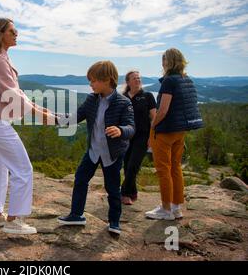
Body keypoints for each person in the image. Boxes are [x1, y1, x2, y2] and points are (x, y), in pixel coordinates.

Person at [0, 18, 55, 234]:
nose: (16, 33)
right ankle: (14, 221)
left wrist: (42, 110)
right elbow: (14, 97)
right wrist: (41, 115)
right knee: (23, 170)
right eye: (12, 30)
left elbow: (16, 94)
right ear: (0, 34)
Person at [57, 61, 135, 235]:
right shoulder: (92, 99)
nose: (90, 84)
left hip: (112, 154)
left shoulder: (123, 103)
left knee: (113, 188)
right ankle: (77, 215)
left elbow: (131, 128)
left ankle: (114, 222)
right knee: (80, 180)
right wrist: (55, 118)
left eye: (93, 81)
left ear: (107, 80)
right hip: (93, 151)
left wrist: (120, 130)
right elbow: (76, 117)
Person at [145, 48, 204, 220]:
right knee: (175, 168)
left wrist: (153, 126)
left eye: (163, 60)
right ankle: (176, 208)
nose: (162, 63)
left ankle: (165, 209)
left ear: (168, 62)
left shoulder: (169, 81)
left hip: (166, 131)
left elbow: (162, 111)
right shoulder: (187, 80)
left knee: (164, 170)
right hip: (181, 131)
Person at [121, 71, 156, 205]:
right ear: (128, 82)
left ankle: (124, 193)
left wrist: (152, 137)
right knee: (126, 165)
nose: (137, 80)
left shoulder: (147, 96)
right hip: (126, 136)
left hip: (142, 136)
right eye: (134, 78)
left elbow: (154, 118)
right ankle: (133, 192)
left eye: (139, 78)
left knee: (133, 165)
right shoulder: (123, 97)